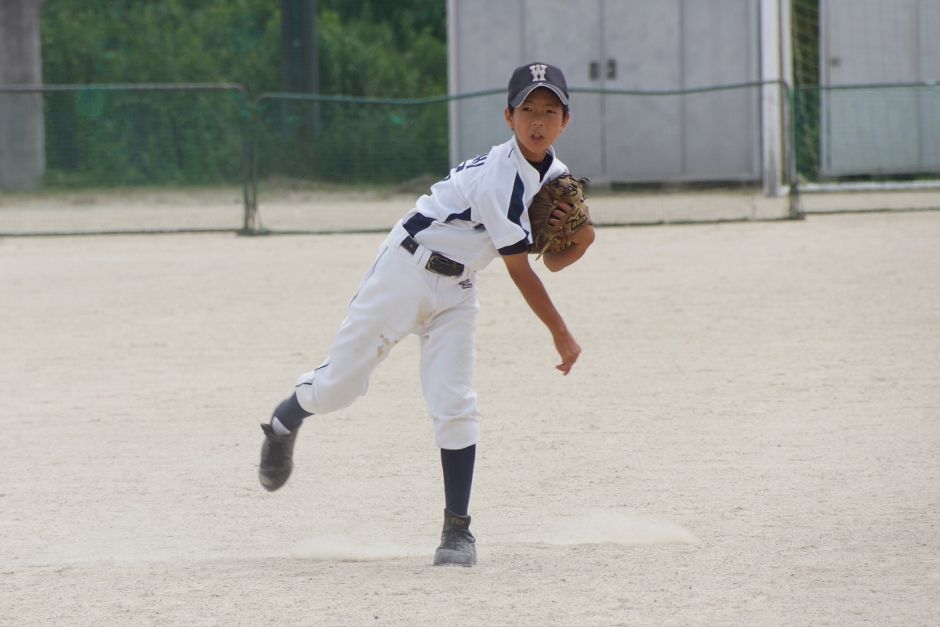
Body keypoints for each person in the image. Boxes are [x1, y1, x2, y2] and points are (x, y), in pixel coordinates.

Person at [257, 62, 596, 566]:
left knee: (455, 403)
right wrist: (561, 334)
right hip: (404, 272)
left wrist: (581, 237)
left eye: (550, 110)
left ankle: (457, 531)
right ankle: (284, 422)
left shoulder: (555, 175)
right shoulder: (499, 179)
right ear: (508, 116)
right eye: (528, 108)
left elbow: (557, 257)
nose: (538, 120)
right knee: (338, 389)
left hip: (458, 288)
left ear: (565, 120)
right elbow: (521, 270)